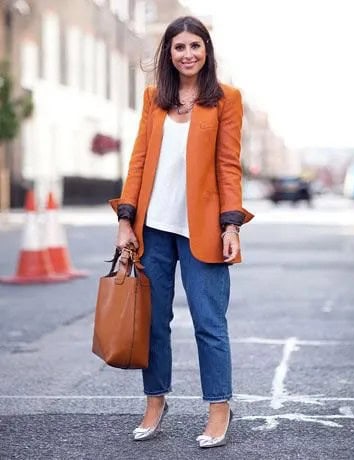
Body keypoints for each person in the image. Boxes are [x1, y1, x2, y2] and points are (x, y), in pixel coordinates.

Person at [109, 15, 254, 448]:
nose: (187, 54)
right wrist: (124, 221)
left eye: (195, 46)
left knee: (210, 323)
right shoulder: (155, 99)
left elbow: (229, 166)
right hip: (153, 228)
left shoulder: (225, 99)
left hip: (202, 229)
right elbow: (138, 162)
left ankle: (218, 408)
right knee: (152, 323)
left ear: (206, 51)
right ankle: (155, 402)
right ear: (168, 53)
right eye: (179, 47)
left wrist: (231, 225)